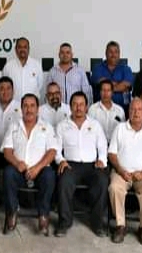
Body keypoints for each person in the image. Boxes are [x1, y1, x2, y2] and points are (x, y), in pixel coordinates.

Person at [108, 98, 142, 246]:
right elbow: (112, 154)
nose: (136, 112)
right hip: (122, 172)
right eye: (132, 109)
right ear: (128, 111)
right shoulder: (120, 128)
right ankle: (120, 226)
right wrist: (121, 170)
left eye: (139, 109)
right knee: (114, 188)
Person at [55, 91, 109, 237]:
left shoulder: (95, 125)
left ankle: (97, 223)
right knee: (64, 181)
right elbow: (56, 149)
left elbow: (103, 145)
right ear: (70, 107)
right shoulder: (62, 125)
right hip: (70, 165)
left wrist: (102, 160)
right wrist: (61, 161)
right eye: (75, 104)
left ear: (86, 107)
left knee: (103, 181)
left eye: (81, 104)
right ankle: (64, 222)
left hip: (92, 165)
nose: (78, 108)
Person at [2, 93, 57, 236]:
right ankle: (12, 213)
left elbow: (52, 151)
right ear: (21, 108)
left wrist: (37, 168)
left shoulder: (47, 127)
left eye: (32, 106)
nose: (29, 109)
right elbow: (7, 151)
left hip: (40, 171)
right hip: (19, 169)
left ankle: (43, 216)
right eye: (25, 106)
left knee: (50, 175)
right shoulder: (14, 126)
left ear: (38, 108)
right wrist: (17, 162)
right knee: (8, 173)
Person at [91, 41, 133, 115]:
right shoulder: (97, 68)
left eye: (116, 52)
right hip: (100, 111)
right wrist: (119, 85)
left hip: (123, 110)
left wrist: (106, 85)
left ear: (119, 54)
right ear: (106, 53)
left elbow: (126, 85)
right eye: (110, 52)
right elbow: (100, 82)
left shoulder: (126, 68)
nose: (113, 55)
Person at [2, 37, 43, 101]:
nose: (22, 49)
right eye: (20, 47)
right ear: (15, 49)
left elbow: (39, 86)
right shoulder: (8, 66)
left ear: (28, 49)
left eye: (25, 47)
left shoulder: (37, 65)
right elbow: (4, 86)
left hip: (32, 106)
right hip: (13, 106)